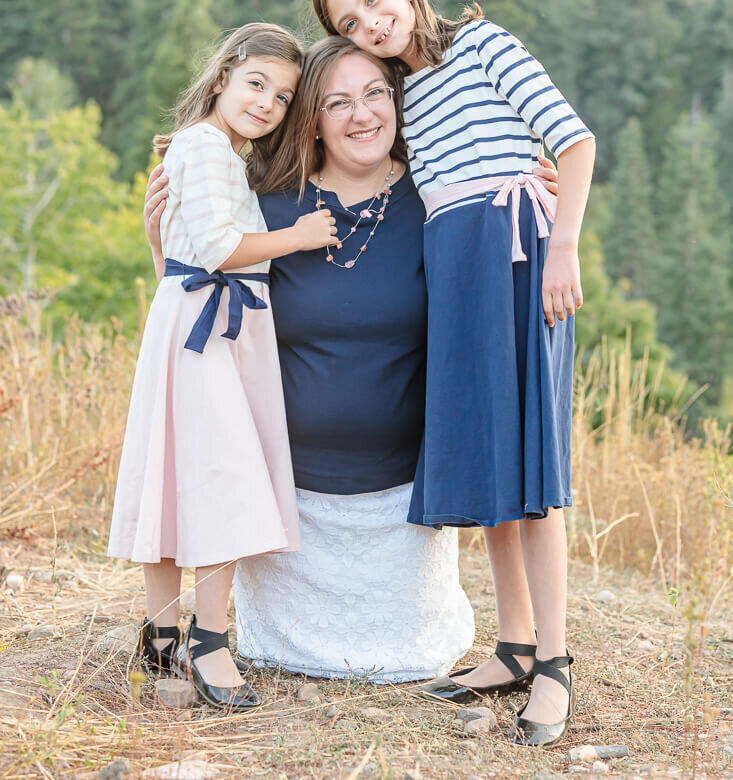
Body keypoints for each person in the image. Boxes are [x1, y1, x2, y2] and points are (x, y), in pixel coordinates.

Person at [144, 37, 560, 685]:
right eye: (336, 102)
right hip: (289, 509)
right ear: (309, 118)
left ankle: (525, 644)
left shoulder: (437, 200)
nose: (361, 114)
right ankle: (187, 629)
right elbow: (201, 295)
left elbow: (500, 246)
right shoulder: (267, 202)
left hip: (402, 506)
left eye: (375, 94)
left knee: (411, 658)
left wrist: (527, 189)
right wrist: (159, 244)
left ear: (397, 103)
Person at [312, 0, 596, 746]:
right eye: (349, 22)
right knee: (484, 458)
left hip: (515, 257)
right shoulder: (399, 91)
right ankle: (511, 644)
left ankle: (554, 663)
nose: (370, 21)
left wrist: (563, 246)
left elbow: (572, 143)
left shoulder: (481, 43)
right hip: (454, 270)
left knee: (531, 467)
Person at [108, 23, 338, 711]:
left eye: (282, 95)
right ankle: (208, 639)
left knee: (183, 476)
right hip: (210, 326)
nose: (267, 103)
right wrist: (296, 237)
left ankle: (161, 636)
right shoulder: (204, 147)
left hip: (197, 319)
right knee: (220, 481)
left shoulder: (213, 152)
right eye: (255, 83)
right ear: (221, 80)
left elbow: (184, 246)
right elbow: (213, 246)